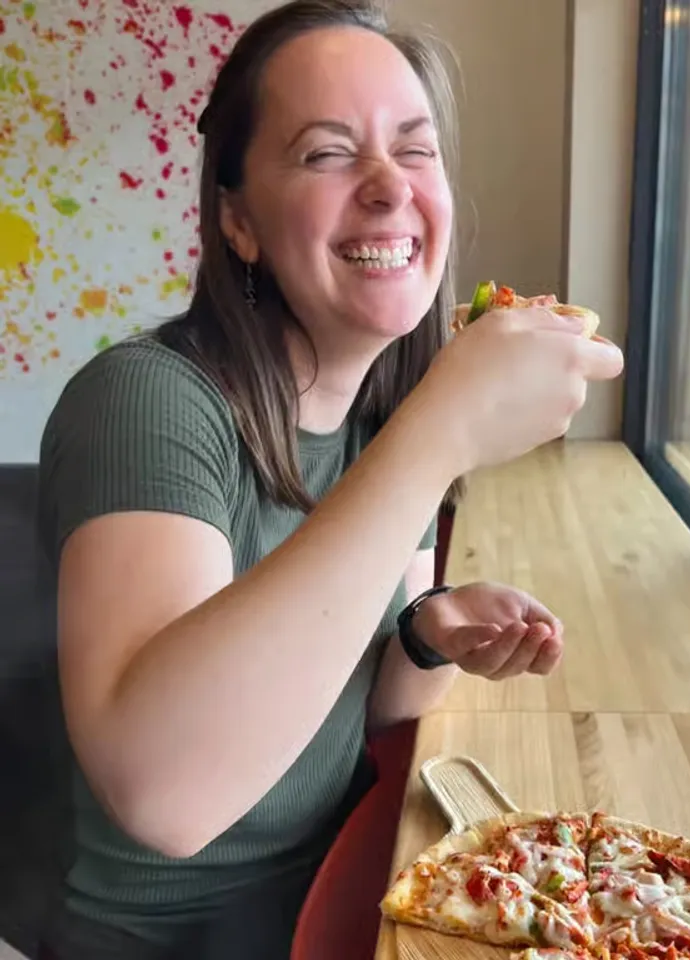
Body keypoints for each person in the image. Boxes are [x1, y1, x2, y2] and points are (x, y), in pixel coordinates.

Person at [35, 1, 623, 958]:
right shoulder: (146, 402)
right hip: (174, 937)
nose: (391, 186)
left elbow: (351, 708)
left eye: (416, 149)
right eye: (327, 153)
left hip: (351, 871)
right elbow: (166, 798)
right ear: (239, 221)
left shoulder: (376, 407)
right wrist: (440, 436)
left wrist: (425, 637)